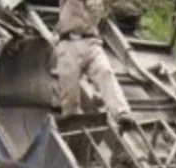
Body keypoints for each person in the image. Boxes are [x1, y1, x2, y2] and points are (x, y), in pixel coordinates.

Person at [56, 0, 131, 128]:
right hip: (68, 44)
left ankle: (121, 112)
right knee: (69, 96)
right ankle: (71, 123)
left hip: (91, 42)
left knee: (105, 71)